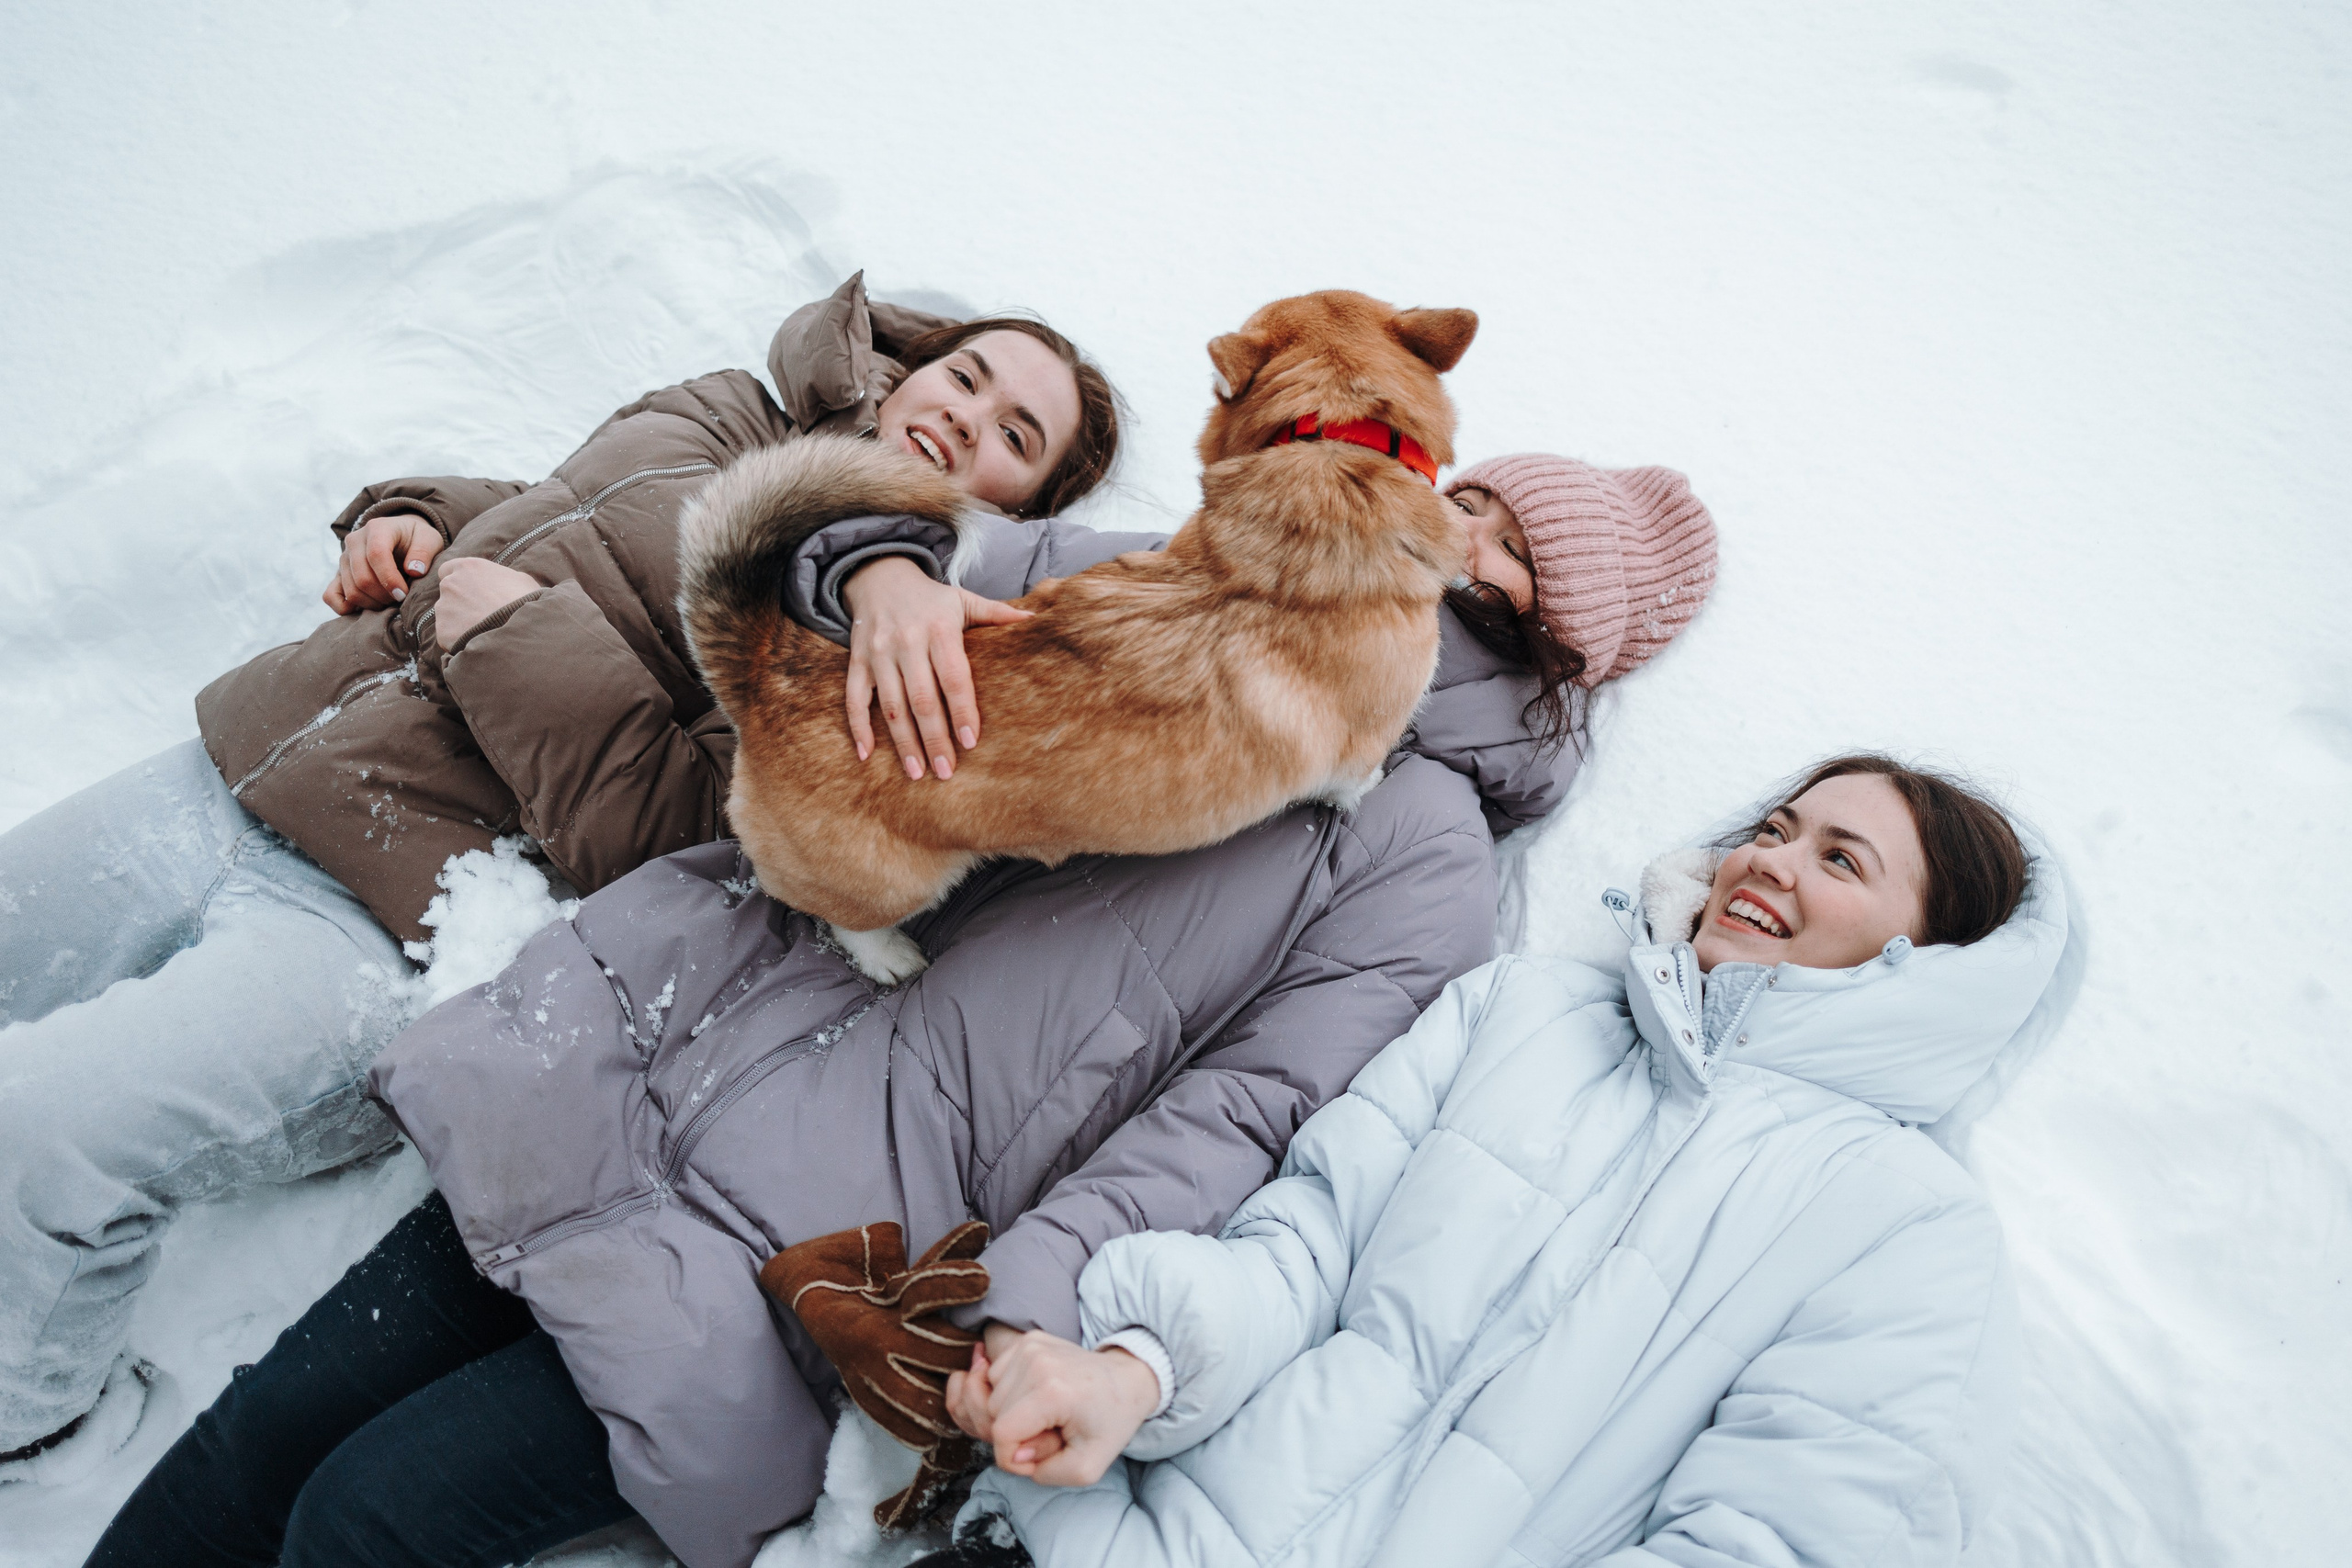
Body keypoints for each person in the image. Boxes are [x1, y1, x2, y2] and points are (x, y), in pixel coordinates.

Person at [83, 450, 1721, 1567]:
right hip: (639, 1046)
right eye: (1478, 505)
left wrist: (1023, 1302)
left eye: (1519, 558)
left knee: (374, 1518)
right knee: (262, 1430)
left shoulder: (1420, 862)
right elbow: (902, 531)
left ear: (1568, 645)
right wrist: (879, 575)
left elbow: (1237, 1125)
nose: (1468, 550)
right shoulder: (1185, 580)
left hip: (800, 1257)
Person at [0, 271, 1120, 1482]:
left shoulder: (901, 663)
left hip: (390, 917)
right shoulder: (733, 409)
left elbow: (682, 840)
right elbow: (550, 511)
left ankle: (44, 1430)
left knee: (43, 1128)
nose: (968, 414)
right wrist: (415, 515)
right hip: (253, 754)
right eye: (967, 374)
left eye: (1016, 431)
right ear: (903, 368)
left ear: (1031, 505)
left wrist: (506, 636)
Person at [920, 755, 2075, 1568]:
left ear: (1928, 961)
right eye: (1773, 829)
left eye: (1840, 859)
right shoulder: (1523, 1013)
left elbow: (1781, 1541)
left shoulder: (1909, 1231)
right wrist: (1133, 1374)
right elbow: (1306, 1244)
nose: (1771, 862)